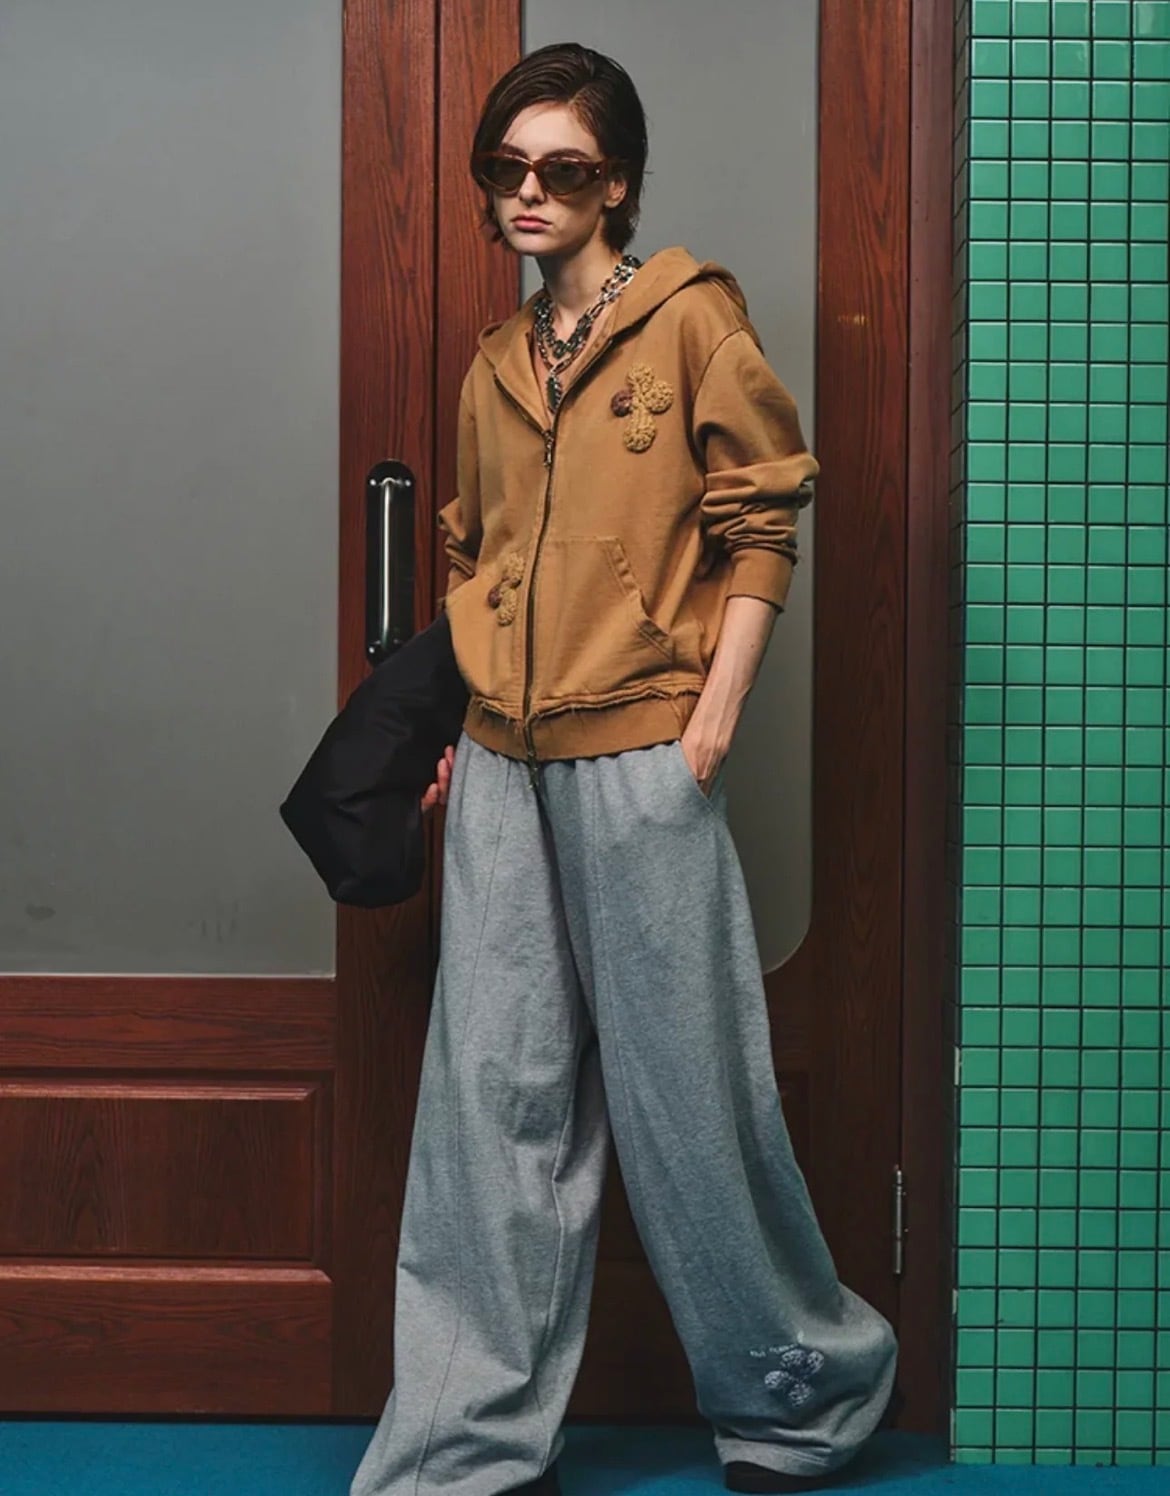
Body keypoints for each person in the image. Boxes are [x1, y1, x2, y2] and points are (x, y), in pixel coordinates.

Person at [350, 41, 898, 1496]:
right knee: (490, 1102)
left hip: (645, 753)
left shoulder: (691, 319)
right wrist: (453, 733)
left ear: (619, 183)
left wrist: (712, 718)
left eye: (564, 169)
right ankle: (466, 1436)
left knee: (686, 1097)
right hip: (500, 764)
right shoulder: (492, 364)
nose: (529, 192)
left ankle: (801, 1396)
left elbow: (762, 517)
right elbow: (474, 555)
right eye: (506, 169)